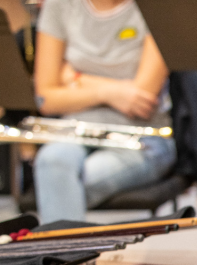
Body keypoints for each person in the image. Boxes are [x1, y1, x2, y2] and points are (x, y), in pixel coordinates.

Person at [32, 0, 175, 225]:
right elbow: (46, 98)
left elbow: (140, 99)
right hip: (75, 131)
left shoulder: (158, 7)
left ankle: (68, 258)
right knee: (51, 162)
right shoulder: (60, 5)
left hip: (140, 139)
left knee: (64, 182)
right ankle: (70, 258)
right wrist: (110, 92)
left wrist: (74, 78)